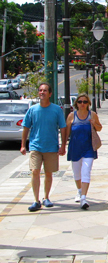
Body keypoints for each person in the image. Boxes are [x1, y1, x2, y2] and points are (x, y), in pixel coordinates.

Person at [20, 82, 67, 212]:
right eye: (40, 90)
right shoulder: (32, 110)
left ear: (50, 94)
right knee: (35, 171)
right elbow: (26, 127)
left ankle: (46, 198)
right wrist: (23, 145)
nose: (42, 92)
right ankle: (36, 200)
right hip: (35, 146)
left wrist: (63, 145)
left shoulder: (56, 109)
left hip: (51, 147)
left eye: (45, 90)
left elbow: (62, 128)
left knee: (48, 173)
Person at [66, 94, 102, 210]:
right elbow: (66, 132)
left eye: (85, 102)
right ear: (76, 103)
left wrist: (93, 123)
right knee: (77, 173)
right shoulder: (72, 116)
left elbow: (99, 128)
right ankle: (80, 190)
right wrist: (62, 146)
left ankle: (83, 198)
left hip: (88, 149)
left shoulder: (92, 115)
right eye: (80, 102)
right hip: (75, 148)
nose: (82, 104)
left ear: (88, 104)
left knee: (86, 171)